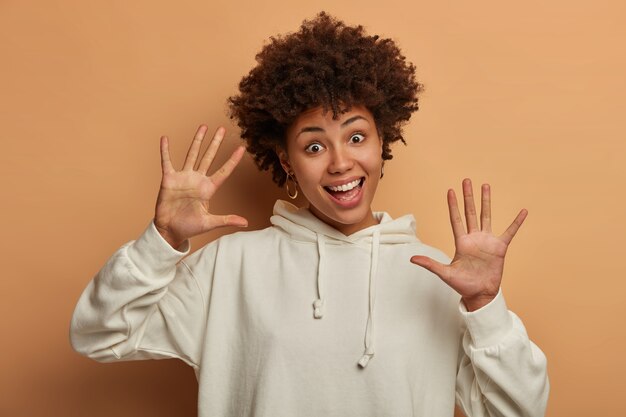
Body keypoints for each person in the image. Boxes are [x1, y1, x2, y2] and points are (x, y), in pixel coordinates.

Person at [70, 12, 549, 417]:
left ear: (384, 142)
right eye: (315, 145)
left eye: (357, 136)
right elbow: (98, 334)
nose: (341, 162)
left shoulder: (439, 280)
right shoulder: (229, 267)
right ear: (286, 164)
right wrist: (162, 241)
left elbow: (519, 409)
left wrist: (486, 306)